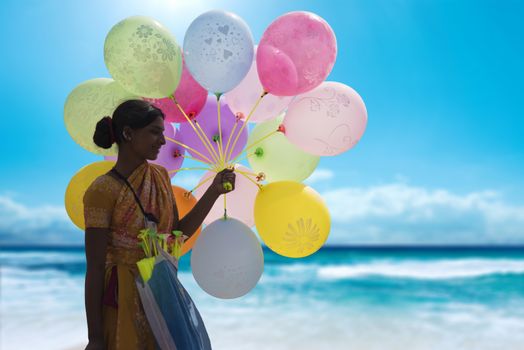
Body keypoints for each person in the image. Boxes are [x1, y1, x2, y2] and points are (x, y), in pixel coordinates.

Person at [83, 100, 235, 350]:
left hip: (162, 294)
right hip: (122, 302)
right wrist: (95, 337)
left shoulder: (161, 178)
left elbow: (178, 234)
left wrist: (214, 191)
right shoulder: (102, 190)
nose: (163, 141)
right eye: (155, 131)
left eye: (162, 132)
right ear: (128, 133)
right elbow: (96, 268)